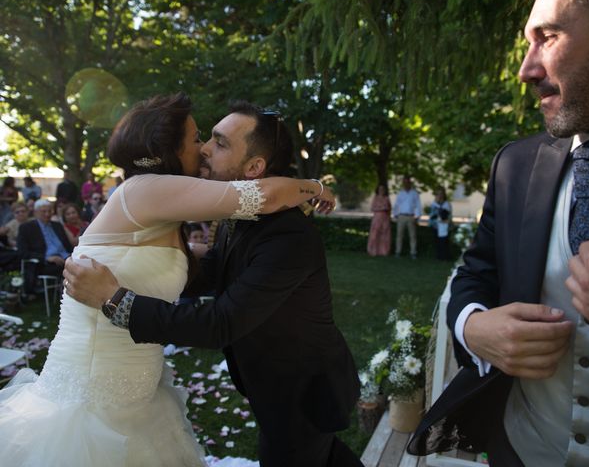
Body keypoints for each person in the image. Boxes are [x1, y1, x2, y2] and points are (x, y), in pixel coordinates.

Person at [0, 93, 336, 467]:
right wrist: (316, 187)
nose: (205, 148)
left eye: (214, 141)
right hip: (91, 395)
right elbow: (268, 194)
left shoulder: (169, 204)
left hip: (157, 389)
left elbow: (204, 275)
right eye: (199, 138)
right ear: (167, 149)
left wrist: (183, 261)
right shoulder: (147, 188)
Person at [408, 0, 589, 466]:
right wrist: (474, 327)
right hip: (519, 449)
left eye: (548, 37)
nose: (526, 69)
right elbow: (478, 271)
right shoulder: (516, 166)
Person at [16, 199, 73, 295]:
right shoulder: (27, 228)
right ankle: (68, 297)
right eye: (43, 211)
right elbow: (22, 253)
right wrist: (47, 258)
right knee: (71, 268)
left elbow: (68, 246)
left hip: (66, 258)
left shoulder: (57, 225)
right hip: (45, 263)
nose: (47, 214)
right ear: (35, 213)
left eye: (49, 211)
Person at [392, 175, 421, 259]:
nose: (406, 184)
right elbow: (397, 205)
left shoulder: (414, 193)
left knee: (412, 236)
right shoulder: (400, 193)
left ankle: (413, 253)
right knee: (399, 235)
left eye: (407, 182)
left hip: (411, 216)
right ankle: (398, 252)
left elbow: (418, 205)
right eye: (404, 182)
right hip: (401, 216)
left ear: (410, 183)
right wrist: (395, 215)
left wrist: (418, 216)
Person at [367, 184, 392, 256]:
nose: (382, 191)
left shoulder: (387, 198)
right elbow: (372, 208)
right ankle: (373, 251)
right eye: (380, 189)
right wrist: (382, 208)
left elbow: (389, 208)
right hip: (377, 218)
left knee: (384, 234)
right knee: (375, 234)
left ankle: (384, 251)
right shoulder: (375, 198)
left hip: (385, 218)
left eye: (383, 189)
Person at [428, 188, 451, 260]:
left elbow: (449, 215)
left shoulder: (447, 204)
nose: (440, 195)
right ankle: (438, 256)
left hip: (444, 226)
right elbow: (431, 215)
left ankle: (445, 257)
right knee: (437, 242)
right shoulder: (434, 204)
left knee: (444, 242)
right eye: (438, 194)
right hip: (436, 226)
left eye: (441, 194)